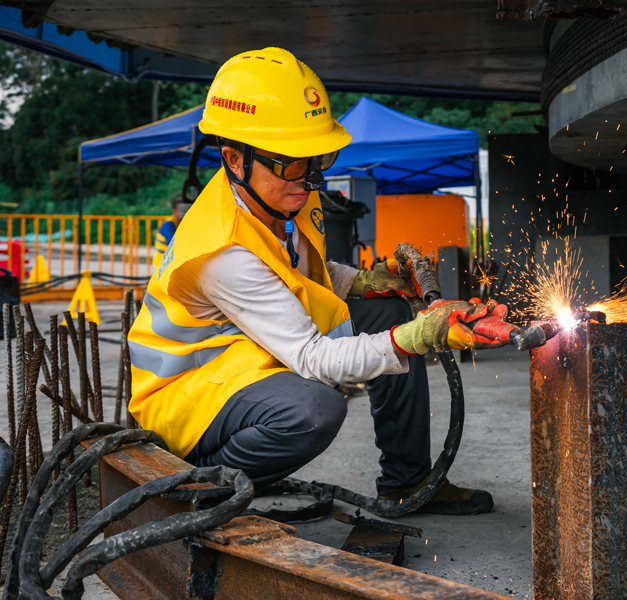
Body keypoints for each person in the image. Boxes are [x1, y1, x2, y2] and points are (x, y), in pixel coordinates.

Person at [127, 47, 509, 515]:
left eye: (318, 159)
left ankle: (407, 483)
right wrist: (417, 336)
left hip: (244, 357)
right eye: (293, 164)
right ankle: (198, 484)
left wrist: (367, 282)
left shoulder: (282, 191)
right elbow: (311, 358)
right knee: (314, 410)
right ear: (234, 159)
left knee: (387, 312)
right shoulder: (222, 253)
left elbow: (296, 270)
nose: (311, 180)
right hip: (190, 397)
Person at [151, 198, 193, 268]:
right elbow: (175, 242)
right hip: (161, 264)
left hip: (167, 263)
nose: (183, 212)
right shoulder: (168, 224)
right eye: (181, 210)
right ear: (174, 210)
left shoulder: (179, 224)